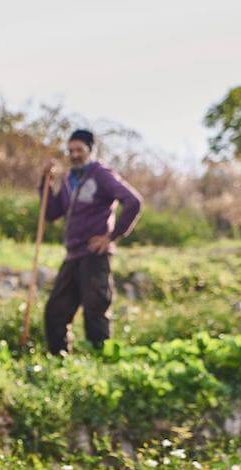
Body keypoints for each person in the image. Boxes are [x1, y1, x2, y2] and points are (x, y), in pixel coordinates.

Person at [39, 128, 143, 355]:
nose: (74, 154)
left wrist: (111, 236)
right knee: (56, 311)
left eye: (79, 150)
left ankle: (101, 362)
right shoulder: (69, 179)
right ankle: (59, 361)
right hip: (73, 255)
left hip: (94, 256)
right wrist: (46, 183)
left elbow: (133, 201)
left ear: (91, 150)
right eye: (70, 150)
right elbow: (52, 212)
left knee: (95, 312)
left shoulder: (101, 175)